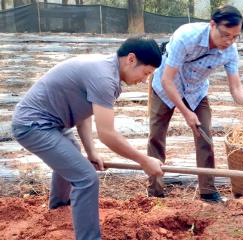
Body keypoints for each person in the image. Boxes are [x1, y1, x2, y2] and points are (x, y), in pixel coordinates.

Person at [11, 37, 164, 240]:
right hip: (33, 125)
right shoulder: (104, 78)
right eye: (146, 73)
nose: (144, 80)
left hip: (54, 124)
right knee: (86, 178)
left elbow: (84, 114)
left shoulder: (106, 69)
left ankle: (59, 210)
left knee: (72, 157)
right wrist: (144, 161)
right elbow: (107, 134)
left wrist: (91, 152)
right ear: (131, 59)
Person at [147, 5, 243, 202]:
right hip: (166, 86)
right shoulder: (186, 37)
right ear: (212, 25)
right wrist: (185, 112)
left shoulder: (230, 51)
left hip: (196, 91)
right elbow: (168, 80)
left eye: (235, 37)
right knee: (157, 136)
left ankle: (208, 191)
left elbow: (236, 88)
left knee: (205, 136)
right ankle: (155, 192)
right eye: (225, 35)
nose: (229, 41)